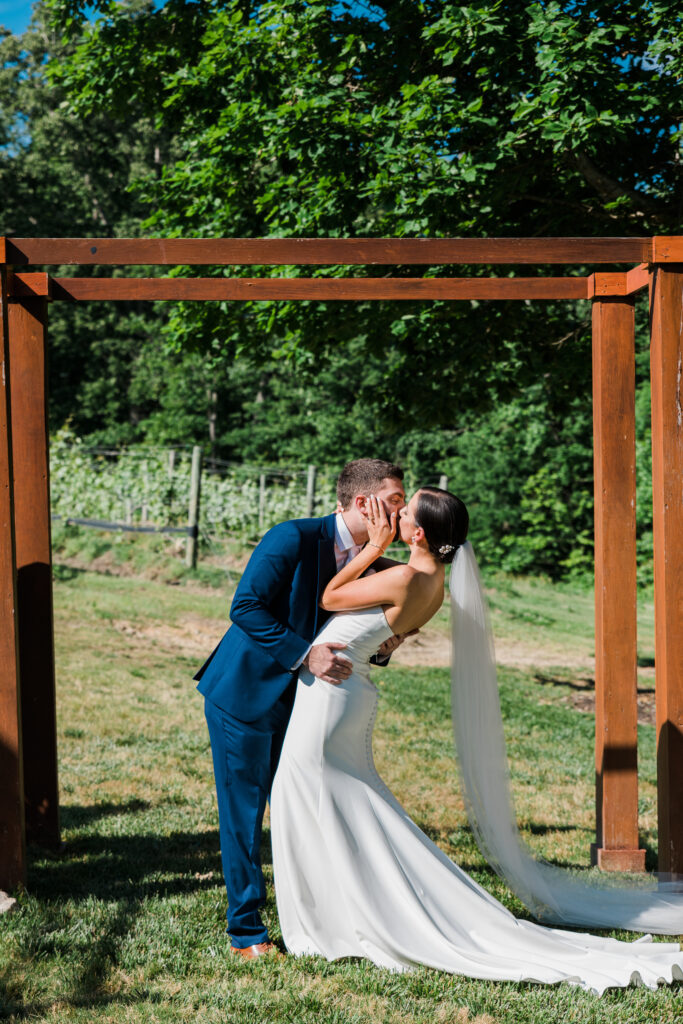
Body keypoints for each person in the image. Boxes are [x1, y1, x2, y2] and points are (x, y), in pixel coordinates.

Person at [270, 488, 683, 993]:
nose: (393, 515)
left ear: (418, 533)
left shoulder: (400, 574)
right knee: (349, 808)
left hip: (331, 701)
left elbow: (330, 598)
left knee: (313, 800)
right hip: (347, 695)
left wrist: (373, 548)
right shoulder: (433, 582)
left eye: (403, 513)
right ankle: (353, 907)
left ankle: (336, 918)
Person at [194, 459, 408, 958]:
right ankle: (245, 932)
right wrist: (303, 653)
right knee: (244, 815)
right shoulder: (292, 537)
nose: (400, 512)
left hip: (309, 706)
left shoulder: (376, 564)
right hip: (245, 696)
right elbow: (245, 607)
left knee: (307, 808)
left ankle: (325, 918)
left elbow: (357, 631)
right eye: (394, 501)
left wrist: (383, 648)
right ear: (364, 503)